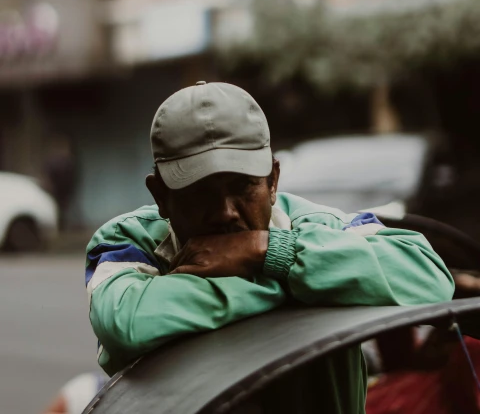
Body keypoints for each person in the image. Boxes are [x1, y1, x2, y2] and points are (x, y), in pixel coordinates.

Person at [85, 82, 454, 414]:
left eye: (243, 187)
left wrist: (266, 250)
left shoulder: (313, 224)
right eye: (201, 193)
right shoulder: (130, 241)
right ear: (161, 196)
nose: (226, 213)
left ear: (273, 180)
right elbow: (127, 322)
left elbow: (429, 277)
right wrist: (316, 282)